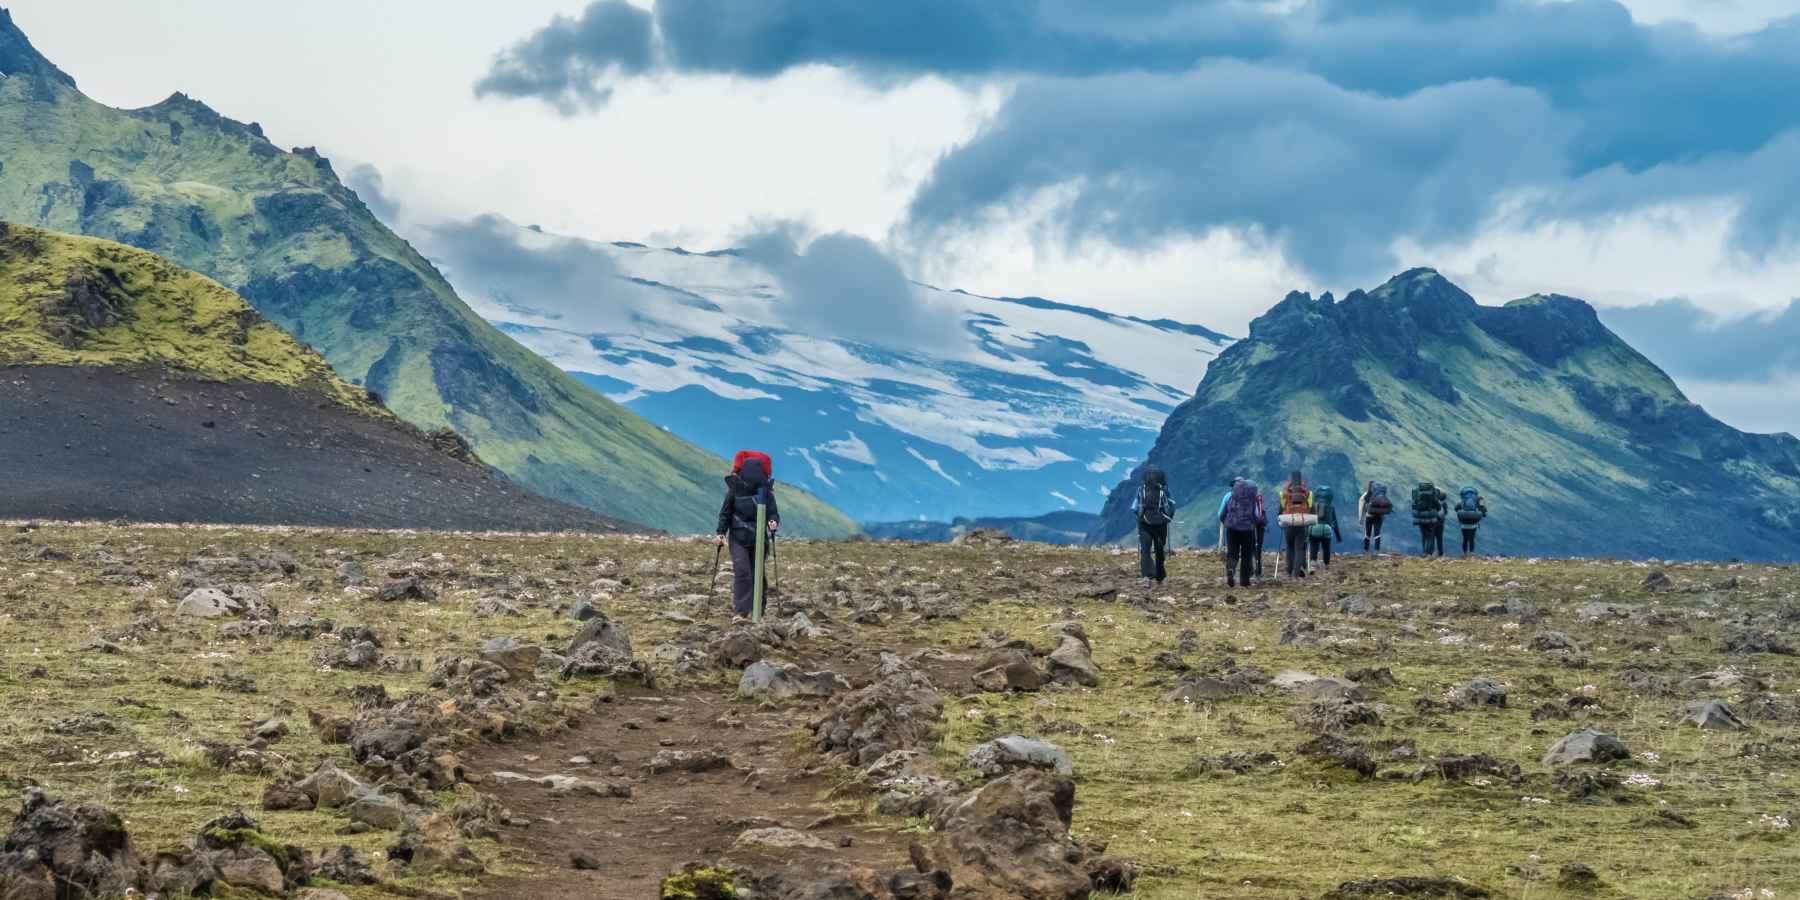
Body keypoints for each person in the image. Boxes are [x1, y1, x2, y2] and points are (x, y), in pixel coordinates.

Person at [716, 452, 779, 619]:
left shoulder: (761, 493)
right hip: (739, 538)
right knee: (745, 572)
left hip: (750, 537)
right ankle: (743, 612)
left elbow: (772, 513)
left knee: (754, 573)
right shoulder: (757, 491)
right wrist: (721, 533)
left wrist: (773, 521)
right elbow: (726, 513)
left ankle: (756, 611)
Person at [1134, 465, 1176, 585]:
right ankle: (1160, 576)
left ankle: (1147, 576)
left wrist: (1140, 517)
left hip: (1145, 524)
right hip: (1161, 524)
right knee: (1159, 549)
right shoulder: (1165, 491)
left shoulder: (1141, 490)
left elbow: (1135, 507)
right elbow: (1172, 506)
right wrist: (1168, 518)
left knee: (1145, 550)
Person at [1220, 478, 1260, 588]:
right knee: (1246, 555)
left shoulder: (1229, 496)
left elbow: (1222, 513)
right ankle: (1245, 581)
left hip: (1232, 529)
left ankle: (1231, 569)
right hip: (1248, 530)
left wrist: (1226, 523)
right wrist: (1254, 523)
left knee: (1233, 552)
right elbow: (1256, 515)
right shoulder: (1252, 498)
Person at [1276, 470, 1314, 578]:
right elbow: (1311, 507)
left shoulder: (1284, 493)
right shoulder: (1307, 493)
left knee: (1289, 546)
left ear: (1290, 480)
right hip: (1301, 523)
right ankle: (1296, 573)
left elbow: (1281, 509)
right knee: (1299, 548)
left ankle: (1289, 570)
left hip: (1289, 522)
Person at [1307, 485, 1343, 567]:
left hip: (1314, 529)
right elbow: (1335, 523)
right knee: (1326, 547)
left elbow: (1308, 520)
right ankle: (1326, 563)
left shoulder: (1312, 506)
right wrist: (1338, 537)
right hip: (1326, 529)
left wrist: (1306, 534)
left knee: (1314, 545)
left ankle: (1313, 561)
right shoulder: (1331, 507)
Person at [1411, 481, 1447, 557]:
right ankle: (1430, 553)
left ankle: (1424, 552)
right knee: (1431, 537)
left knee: (1424, 536)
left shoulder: (1418, 497)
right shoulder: (1435, 499)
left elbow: (1413, 506)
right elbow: (1439, 508)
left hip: (1420, 519)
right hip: (1432, 520)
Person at [1358, 480, 1393, 556]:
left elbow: (1361, 504)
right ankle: (1376, 550)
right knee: (1377, 533)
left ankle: (1365, 550)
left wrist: (1360, 518)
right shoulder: (1380, 494)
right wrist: (1383, 516)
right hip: (1379, 517)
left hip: (1369, 516)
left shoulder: (1366, 494)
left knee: (1367, 533)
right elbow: (1384, 505)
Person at [1455, 485, 1488, 557]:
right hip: (1473, 524)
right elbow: (1484, 512)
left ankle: (1464, 553)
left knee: (1465, 539)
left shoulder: (1461, 501)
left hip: (1464, 524)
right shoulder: (1476, 500)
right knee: (1472, 539)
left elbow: (1456, 509)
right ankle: (1471, 553)